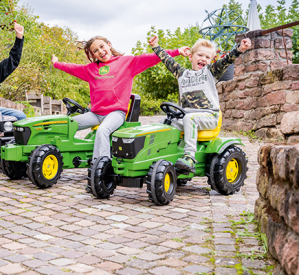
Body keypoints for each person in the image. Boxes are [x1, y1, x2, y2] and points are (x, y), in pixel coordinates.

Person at [52, 36, 188, 164]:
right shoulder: (90, 70)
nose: (100, 51)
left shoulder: (126, 62)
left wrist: (177, 51)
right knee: (66, 124)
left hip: (116, 113)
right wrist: (56, 63)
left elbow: (151, 58)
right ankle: (53, 156)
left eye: (102, 46)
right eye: (95, 50)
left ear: (109, 45)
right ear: (93, 55)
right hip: (95, 114)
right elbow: (71, 67)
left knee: (103, 130)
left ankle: (101, 166)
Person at [149, 34, 252, 173]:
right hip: (186, 117)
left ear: (211, 61)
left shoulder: (210, 73)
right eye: (200, 55)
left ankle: (189, 157)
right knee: (164, 122)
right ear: (191, 57)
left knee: (189, 119)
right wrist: (156, 46)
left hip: (209, 117)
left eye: (207, 57)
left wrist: (240, 49)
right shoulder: (182, 74)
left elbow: (226, 60)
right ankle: (161, 154)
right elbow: (168, 60)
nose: (203, 58)